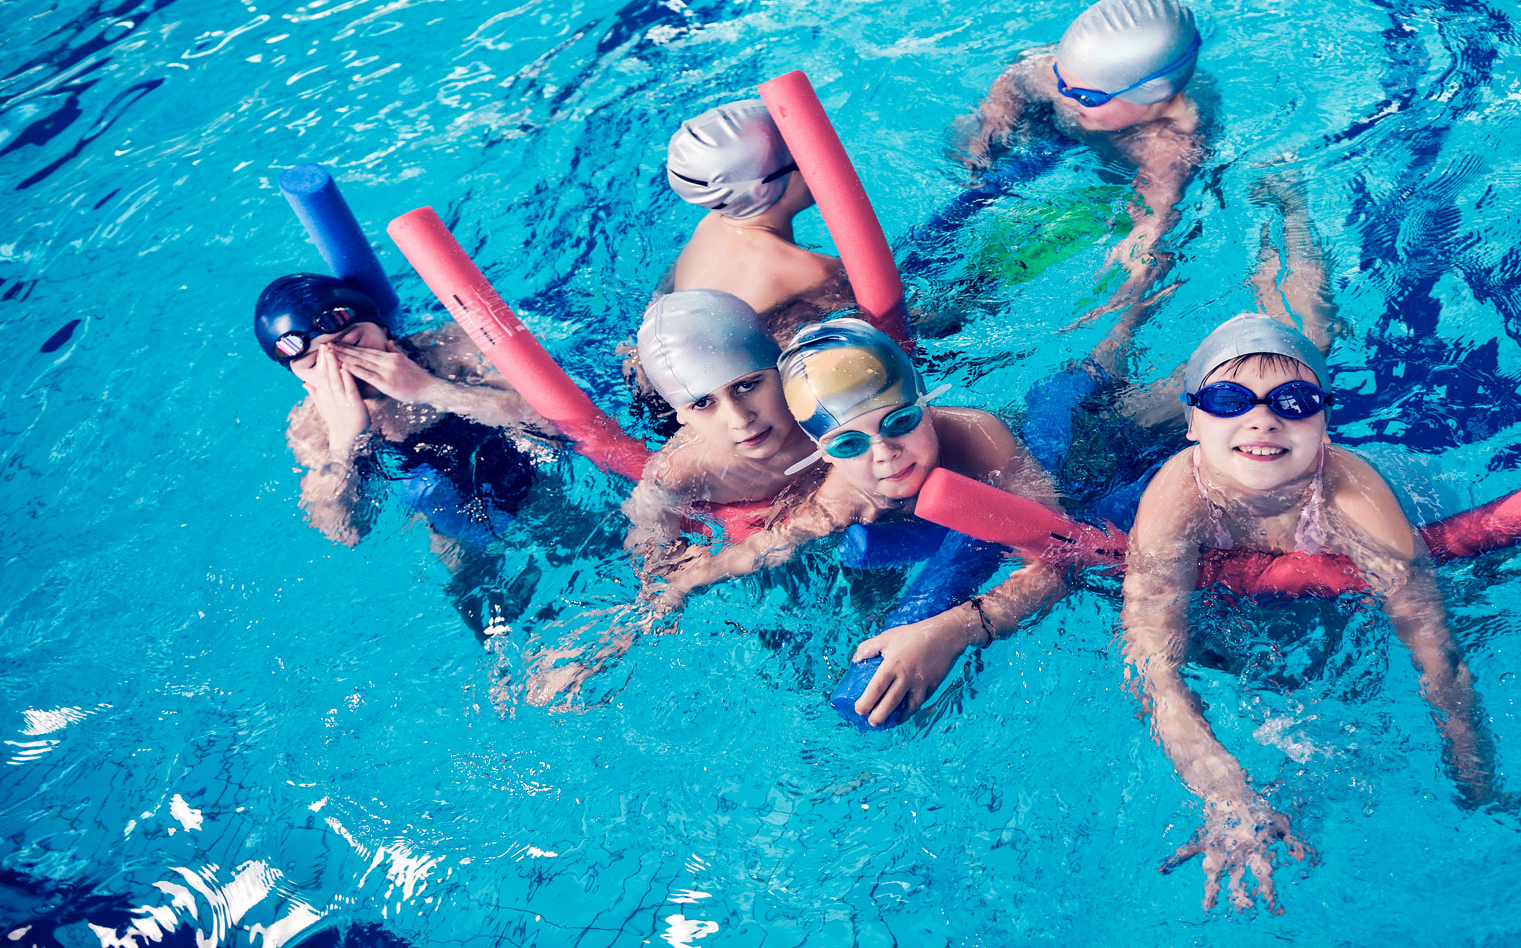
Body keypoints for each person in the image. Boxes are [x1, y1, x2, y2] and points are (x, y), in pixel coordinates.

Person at [1119, 313, 1501, 913]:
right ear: (1191, 420)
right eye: (1227, 398)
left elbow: (1433, 641)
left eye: (1295, 400)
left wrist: (1472, 766)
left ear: (1325, 419)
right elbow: (1150, 660)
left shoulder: (1351, 491)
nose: (1262, 418)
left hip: (1420, 489)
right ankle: (1294, 242)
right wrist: (1226, 797)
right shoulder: (1177, 497)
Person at [654, 317, 1075, 726]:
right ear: (824, 453)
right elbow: (774, 544)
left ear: (926, 404)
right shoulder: (842, 496)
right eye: (849, 443)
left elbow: (1060, 559)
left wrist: (952, 630)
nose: (884, 453)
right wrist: (682, 584)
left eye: (899, 421)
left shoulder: (982, 442)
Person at [523, 290, 829, 706]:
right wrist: (608, 646)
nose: (739, 419)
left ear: (782, 367)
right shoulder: (681, 469)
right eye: (704, 403)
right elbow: (655, 561)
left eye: (748, 385)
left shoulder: (832, 400)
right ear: (682, 415)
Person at [256, 273, 555, 637]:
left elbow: (554, 420)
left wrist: (432, 389)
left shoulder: (450, 352)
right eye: (316, 363)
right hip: (463, 549)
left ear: (382, 327)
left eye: (352, 342)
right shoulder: (313, 429)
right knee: (515, 658)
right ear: (303, 380)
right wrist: (343, 441)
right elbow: (343, 532)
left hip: (546, 497)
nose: (342, 365)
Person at [957, 0, 1207, 356]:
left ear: (1154, 92)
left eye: (1086, 97)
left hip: (1109, 173)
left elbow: (1154, 220)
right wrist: (992, 126)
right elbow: (1015, 79)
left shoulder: (1169, 144)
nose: (1067, 97)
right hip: (1053, 136)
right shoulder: (1073, 81)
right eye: (1061, 78)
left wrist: (1119, 317)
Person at [662, 99, 854, 341]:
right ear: (763, 189)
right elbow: (888, 323)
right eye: (805, 155)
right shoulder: (814, 270)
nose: (820, 160)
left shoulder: (710, 224)